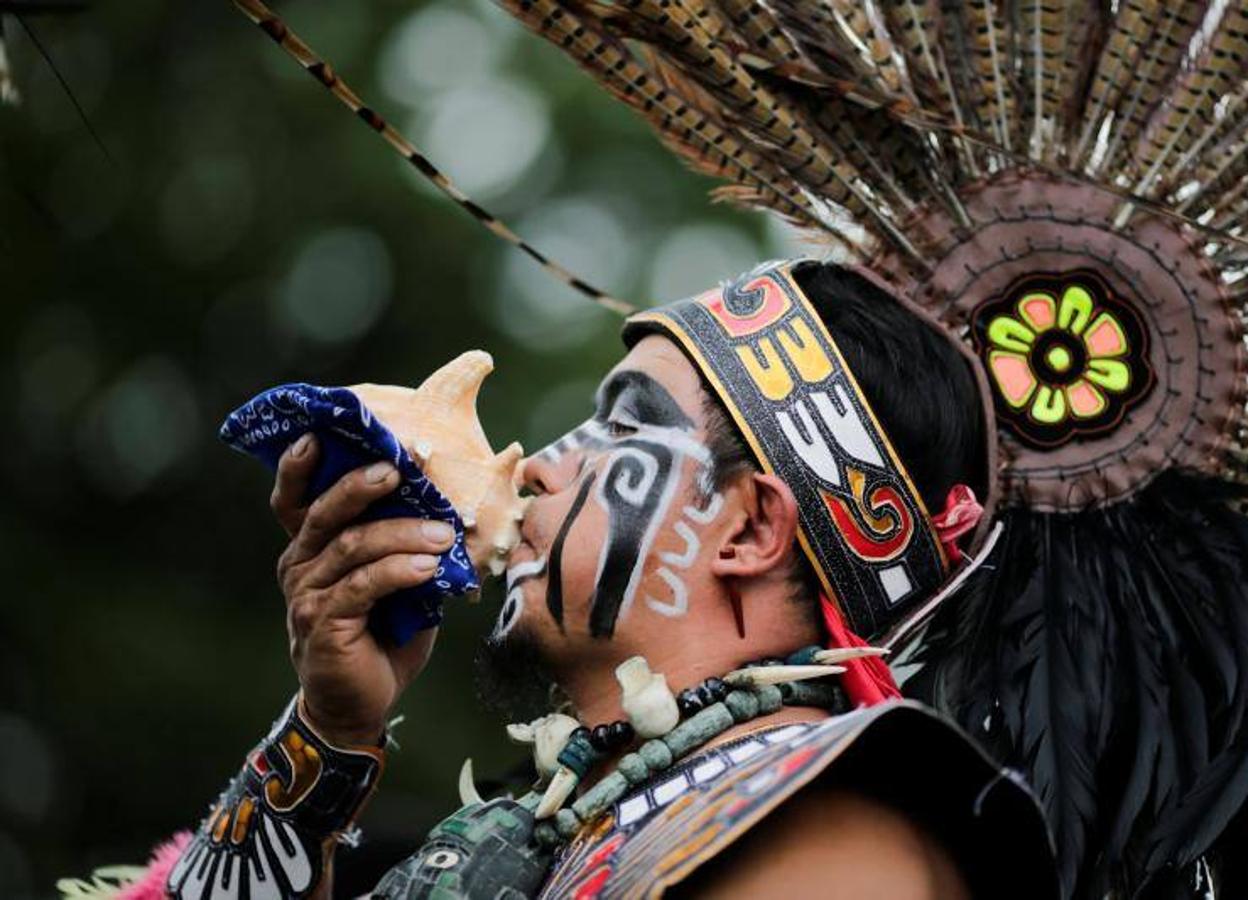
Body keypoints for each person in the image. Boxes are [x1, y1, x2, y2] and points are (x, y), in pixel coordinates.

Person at [145, 260, 1056, 900]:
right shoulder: (586, 820)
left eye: (620, 429)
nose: (540, 465)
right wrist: (329, 731)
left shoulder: (843, 830)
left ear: (747, 527)